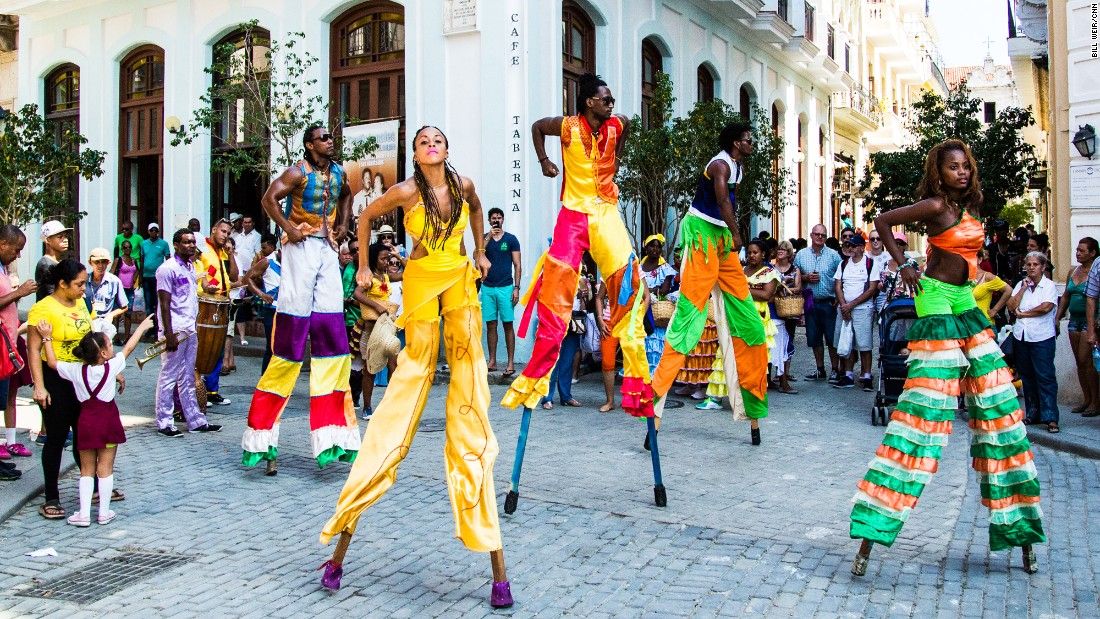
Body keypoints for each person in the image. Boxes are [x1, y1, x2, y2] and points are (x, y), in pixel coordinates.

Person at [318, 125, 513, 608]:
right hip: (424, 283)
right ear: (414, 151)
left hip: (460, 282)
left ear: (447, 148)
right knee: (406, 390)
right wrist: (362, 266)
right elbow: (363, 218)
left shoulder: (463, 184)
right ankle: (344, 534)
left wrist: (481, 251)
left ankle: (497, 567)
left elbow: (473, 210)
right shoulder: (405, 190)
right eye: (423, 140)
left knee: (470, 403)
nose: (431, 144)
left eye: (438, 139)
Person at [849, 138, 1044, 577]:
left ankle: (1022, 529)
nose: (962, 172)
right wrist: (903, 265)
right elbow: (881, 221)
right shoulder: (935, 205)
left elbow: (969, 257)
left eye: (966, 166)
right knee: (924, 414)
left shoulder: (970, 207)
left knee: (999, 409)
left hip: (964, 301)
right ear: (939, 172)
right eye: (953, 166)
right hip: (934, 300)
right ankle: (871, 534)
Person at [502, 73, 653, 420]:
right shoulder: (568, 126)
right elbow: (538, 127)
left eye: (611, 99)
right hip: (574, 214)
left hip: (606, 213)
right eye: (605, 98)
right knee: (556, 287)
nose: (611, 103)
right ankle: (537, 377)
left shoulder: (618, 124)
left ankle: (635, 386)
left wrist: (618, 158)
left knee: (628, 282)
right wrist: (543, 161)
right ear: (589, 102)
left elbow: (626, 127)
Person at [243, 124, 361, 474]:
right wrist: (288, 228)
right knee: (289, 340)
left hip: (326, 247)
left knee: (332, 339)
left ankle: (333, 438)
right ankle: (261, 439)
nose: (331, 141)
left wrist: (343, 223)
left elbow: (347, 195)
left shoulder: (339, 171)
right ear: (310, 145)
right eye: (324, 138)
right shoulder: (297, 172)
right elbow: (268, 198)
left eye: (331, 137)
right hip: (299, 248)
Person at [649, 121, 770, 443]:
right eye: (747, 140)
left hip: (721, 240)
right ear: (734, 142)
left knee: (751, 326)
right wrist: (738, 234)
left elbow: (730, 202)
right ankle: (655, 408)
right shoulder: (719, 164)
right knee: (688, 321)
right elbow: (723, 203)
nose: (751, 144)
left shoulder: (738, 168)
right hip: (703, 237)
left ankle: (753, 412)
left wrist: (731, 235)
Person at [35, 315, 155, 526]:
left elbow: (52, 363)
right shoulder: (112, 368)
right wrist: (142, 327)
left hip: (86, 423)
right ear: (103, 353)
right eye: (109, 344)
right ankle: (104, 512)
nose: (113, 347)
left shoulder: (77, 370)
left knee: (86, 470)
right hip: (108, 423)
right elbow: (128, 348)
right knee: (106, 468)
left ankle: (83, 514)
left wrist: (47, 337)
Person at [28, 260, 112, 519]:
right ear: (62, 284)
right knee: (56, 437)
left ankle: (96, 486)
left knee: (84, 435)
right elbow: (33, 350)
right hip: (56, 380)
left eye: (84, 283)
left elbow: (91, 340)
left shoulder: (81, 304)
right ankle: (51, 496)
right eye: (78, 284)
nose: (83, 289)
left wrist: (110, 368)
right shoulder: (42, 309)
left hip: (81, 379)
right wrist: (40, 386)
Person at [154, 230, 223, 438]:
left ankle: (195, 420)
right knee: (169, 376)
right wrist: (169, 334)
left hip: (190, 329)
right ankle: (165, 422)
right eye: (186, 242)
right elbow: (164, 304)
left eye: (193, 242)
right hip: (174, 330)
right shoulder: (167, 269)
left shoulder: (191, 267)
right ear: (176, 245)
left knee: (188, 377)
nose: (191, 246)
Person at [1009, 252, 1060, 431]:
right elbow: (1011, 306)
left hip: (1042, 336)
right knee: (1027, 376)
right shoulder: (1020, 285)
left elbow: (1046, 307)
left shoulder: (1049, 285)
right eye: (1028, 264)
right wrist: (1022, 289)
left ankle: (1051, 417)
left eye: (1035, 264)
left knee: (1045, 376)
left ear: (1043, 267)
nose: (1031, 267)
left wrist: (1024, 313)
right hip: (1021, 335)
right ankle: (1033, 413)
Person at [351, 242, 401, 418]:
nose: (387, 262)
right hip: (370, 329)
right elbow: (357, 294)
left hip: (386, 330)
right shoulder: (369, 277)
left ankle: (392, 405)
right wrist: (377, 306)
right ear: (374, 259)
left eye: (387, 258)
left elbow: (407, 272)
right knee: (369, 370)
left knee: (393, 365)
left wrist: (397, 256)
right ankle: (367, 407)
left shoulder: (386, 276)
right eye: (383, 258)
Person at [0, 226, 37, 461]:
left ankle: (6, 444)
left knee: (6, 397)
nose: (19, 255)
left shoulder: (3, 268)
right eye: (17, 249)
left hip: (7, 346)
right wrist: (19, 293)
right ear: (3, 244)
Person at [195, 219, 239, 406]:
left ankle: (212, 390)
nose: (225, 236)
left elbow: (234, 276)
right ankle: (197, 388)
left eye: (228, 233)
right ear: (213, 230)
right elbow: (197, 275)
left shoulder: (224, 252)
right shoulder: (201, 249)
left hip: (222, 304)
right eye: (223, 231)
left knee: (218, 348)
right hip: (205, 304)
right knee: (202, 347)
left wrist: (232, 255)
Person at [832, 232, 881, 391]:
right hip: (844, 309)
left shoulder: (870, 264)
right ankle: (848, 374)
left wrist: (851, 305)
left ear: (861, 247)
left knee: (864, 343)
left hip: (862, 309)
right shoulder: (843, 264)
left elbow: (872, 289)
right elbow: (838, 285)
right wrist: (843, 304)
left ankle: (866, 375)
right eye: (848, 245)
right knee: (846, 341)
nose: (850, 248)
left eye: (853, 246)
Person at [794, 224, 843, 382]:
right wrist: (807, 278)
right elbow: (795, 275)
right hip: (810, 302)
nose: (820, 237)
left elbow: (841, 276)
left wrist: (838, 296)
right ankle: (820, 369)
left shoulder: (834, 256)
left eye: (823, 235)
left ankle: (835, 369)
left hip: (829, 302)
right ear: (811, 235)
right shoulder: (801, 255)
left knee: (831, 338)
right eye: (817, 234)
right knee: (814, 338)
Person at [1057, 238, 1099, 416]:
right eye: (1077, 250)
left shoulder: (1095, 271)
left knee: (1087, 362)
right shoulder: (1072, 271)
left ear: (1092, 253)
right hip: (1074, 320)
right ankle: (1087, 399)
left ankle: (1096, 402)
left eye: (1082, 251)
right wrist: (1058, 317)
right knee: (1080, 363)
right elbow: (1066, 296)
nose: (1078, 253)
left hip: (1089, 321)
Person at [480, 207, 522, 376]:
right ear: (489, 221)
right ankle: (492, 360)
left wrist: (516, 288)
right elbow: (478, 255)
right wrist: (489, 236)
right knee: (491, 325)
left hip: (506, 287)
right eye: (493, 218)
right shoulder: (484, 238)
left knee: (507, 325)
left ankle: (511, 363)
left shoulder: (511, 239)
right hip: (488, 287)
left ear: (502, 220)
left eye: (499, 217)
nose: (496, 220)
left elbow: (517, 265)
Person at [744, 240, 780, 409]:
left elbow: (766, 295)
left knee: (757, 359)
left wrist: (742, 290)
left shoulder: (770, 272)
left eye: (755, 252)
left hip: (759, 318)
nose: (752, 255)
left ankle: (755, 397)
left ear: (763, 254)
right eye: (749, 252)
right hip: (740, 317)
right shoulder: (741, 270)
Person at [640, 234, 676, 375]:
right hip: (640, 309)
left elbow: (665, 288)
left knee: (655, 342)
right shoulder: (639, 267)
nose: (655, 249)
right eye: (651, 245)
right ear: (646, 248)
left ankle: (655, 377)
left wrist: (647, 292)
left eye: (658, 246)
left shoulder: (665, 268)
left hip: (657, 313)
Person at [245, 234, 280, 373]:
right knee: (271, 347)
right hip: (271, 310)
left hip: (286, 310)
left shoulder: (293, 262)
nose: (262, 250)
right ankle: (264, 380)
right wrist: (262, 294)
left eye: (264, 247)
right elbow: (248, 279)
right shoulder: (267, 261)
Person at [771, 239, 801, 394]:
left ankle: (783, 377)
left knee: (784, 342)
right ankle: (770, 378)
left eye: (783, 249)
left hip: (786, 310)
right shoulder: (770, 268)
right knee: (769, 344)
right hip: (770, 310)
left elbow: (798, 287)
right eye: (779, 249)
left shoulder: (794, 269)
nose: (780, 251)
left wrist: (785, 286)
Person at [84, 247, 129, 342]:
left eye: (104, 262)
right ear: (90, 263)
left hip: (104, 324)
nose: (100, 265)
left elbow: (124, 306)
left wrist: (111, 315)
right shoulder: (83, 280)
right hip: (85, 324)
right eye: (97, 262)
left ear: (108, 263)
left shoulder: (114, 281)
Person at [140, 223, 172, 333]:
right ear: (148, 232)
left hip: (158, 278)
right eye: (151, 230)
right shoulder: (144, 244)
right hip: (146, 277)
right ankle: (150, 327)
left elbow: (168, 260)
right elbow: (142, 260)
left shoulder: (163, 244)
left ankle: (159, 327)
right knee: (148, 304)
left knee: (157, 303)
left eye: (155, 230)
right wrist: (140, 277)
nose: (154, 232)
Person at [111, 240, 140, 342]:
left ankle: (127, 337)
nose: (127, 249)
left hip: (129, 290)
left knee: (128, 314)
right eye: (125, 247)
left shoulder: (133, 260)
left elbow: (137, 270)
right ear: (122, 249)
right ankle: (116, 336)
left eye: (129, 247)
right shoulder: (118, 260)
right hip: (120, 290)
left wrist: (134, 280)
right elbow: (111, 273)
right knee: (117, 314)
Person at [36, 220, 71, 301]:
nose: (65, 240)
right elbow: (52, 296)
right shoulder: (46, 265)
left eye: (65, 236)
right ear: (48, 240)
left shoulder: (57, 262)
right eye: (60, 237)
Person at [972, 252, 1011, 324]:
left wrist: (995, 310)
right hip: (967, 325)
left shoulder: (987, 276)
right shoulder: (963, 277)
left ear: (980, 259)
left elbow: (1008, 290)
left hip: (984, 324)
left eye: (972, 257)